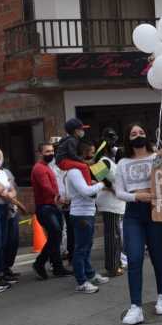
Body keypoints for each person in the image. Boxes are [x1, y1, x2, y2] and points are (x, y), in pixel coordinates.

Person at [115, 123, 162, 325]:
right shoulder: (122, 163)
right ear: (128, 138)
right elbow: (119, 192)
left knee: (158, 256)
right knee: (134, 258)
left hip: (156, 210)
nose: (138, 135)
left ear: (146, 136)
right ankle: (135, 306)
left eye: (141, 132)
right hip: (134, 214)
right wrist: (137, 196)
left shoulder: (157, 158)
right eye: (133, 133)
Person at [65, 140, 108, 294]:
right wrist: (102, 184)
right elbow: (86, 191)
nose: (92, 157)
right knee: (81, 249)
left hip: (87, 212)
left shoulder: (81, 169)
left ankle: (90, 274)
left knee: (87, 247)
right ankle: (81, 281)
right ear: (81, 154)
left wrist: (97, 182)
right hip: (81, 214)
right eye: (90, 153)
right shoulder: (74, 171)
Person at [30, 143, 73, 280]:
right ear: (40, 153)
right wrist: (60, 198)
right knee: (55, 234)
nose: (51, 153)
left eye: (52, 151)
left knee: (56, 236)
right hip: (45, 208)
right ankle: (40, 263)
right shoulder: (39, 169)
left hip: (53, 207)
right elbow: (46, 187)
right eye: (47, 151)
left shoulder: (47, 167)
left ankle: (57, 267)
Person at [96, 134, 126, 277]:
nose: (115, 148)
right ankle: (112, 266)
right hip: (109, 203)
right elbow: (99, 179)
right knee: (112, 235)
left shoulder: (108, 161)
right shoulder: (103, 161)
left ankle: (116, 263)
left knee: (116, 235)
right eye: (112, 146)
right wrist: (115, 189)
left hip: (115, 203)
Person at [0, 147, 14, 291]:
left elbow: (11, 189)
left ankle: (2, 272)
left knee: (3, 242)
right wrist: (2, 188)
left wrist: (5, 190)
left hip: (5, 208)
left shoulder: (3, 172)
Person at [55, 118, 92, 185]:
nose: (83, 131)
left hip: (64, 161)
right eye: (81, 129)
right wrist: (84, 161)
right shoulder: (72, 140)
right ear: (76, 131)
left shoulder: (73, 139)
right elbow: (73, 155)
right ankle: (88, 184)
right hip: (62, 161)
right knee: (84, 166)